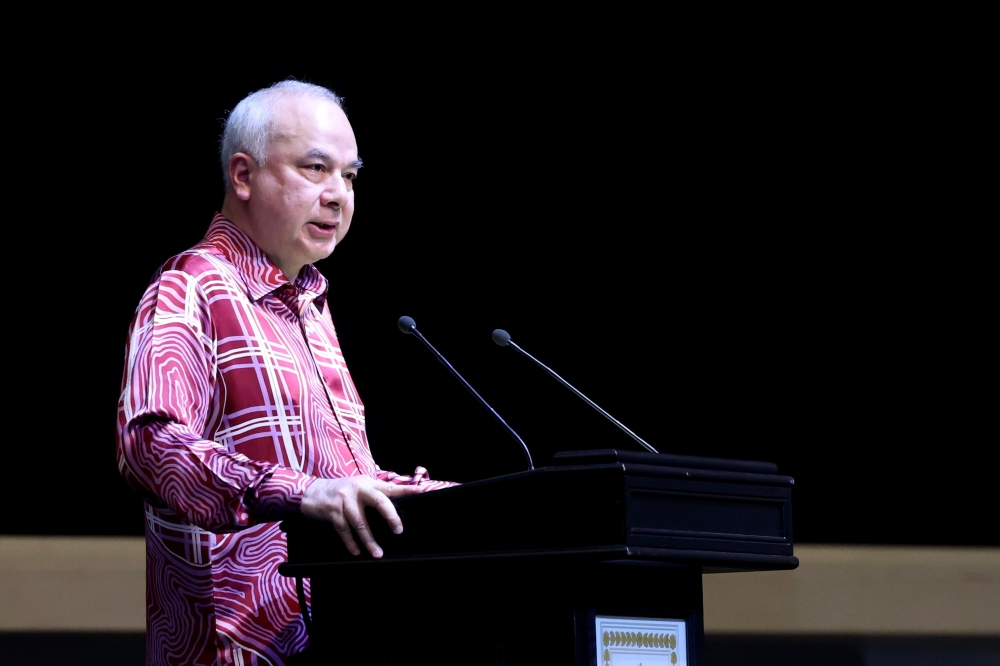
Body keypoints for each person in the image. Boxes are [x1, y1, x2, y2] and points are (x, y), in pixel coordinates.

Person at [116, 80, 456, 666]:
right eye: (316, 169)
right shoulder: (190, 287)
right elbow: (148, 445)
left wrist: (460, 502)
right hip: (235, 651)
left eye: (349, 177)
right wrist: (300, 494)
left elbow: (341, 484)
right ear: (243, 176)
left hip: (344, 637)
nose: (338, 196)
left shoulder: (310, 307)